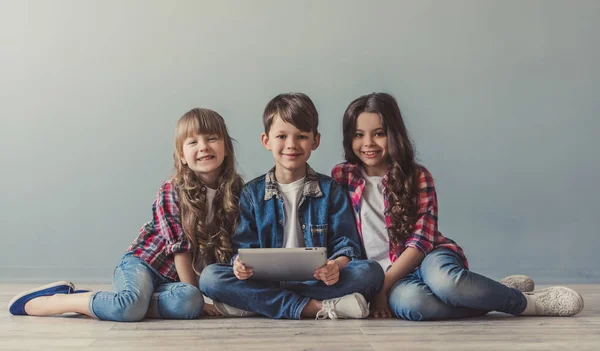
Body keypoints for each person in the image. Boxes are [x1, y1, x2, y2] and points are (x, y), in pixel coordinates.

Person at [332, 92, 584, 320]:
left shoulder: (417, 176)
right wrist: (378, 285)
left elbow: (421, 241)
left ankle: (526, 303)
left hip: (427, 256)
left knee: (448, 283)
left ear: (393, 134)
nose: (368, 143)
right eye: (358, 134)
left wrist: (382, 287)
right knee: (415, 305)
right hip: (388, 278)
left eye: (379, 133)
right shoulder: (343, 176)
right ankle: (490, 291)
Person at [9, 108, 244, 321]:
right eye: (193, 142)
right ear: (182, 155)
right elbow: (180, 250)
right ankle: (61, 300)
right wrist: (197, 293)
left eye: (212, 138)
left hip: (173, 281)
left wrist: (199, 296)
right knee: (131, 306)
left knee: (188, 304)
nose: (203, 146)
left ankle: (127, 302)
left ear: (226, 146)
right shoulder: (173, 189)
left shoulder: (236, 192)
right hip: (143, 264)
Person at [200, 93, 384, 320]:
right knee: (210, 277)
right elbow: (242, 249)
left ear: (315, 141)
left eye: (302, 137)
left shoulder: (331, 190)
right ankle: (316, 307)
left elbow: (346, 245)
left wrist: (335, 266)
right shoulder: (251, 193)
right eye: (281, 136)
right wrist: (238, 265)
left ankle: (258, 303)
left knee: (371, 272)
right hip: (265, 280)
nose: (291, 145)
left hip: (315, 280)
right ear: (266, 141)